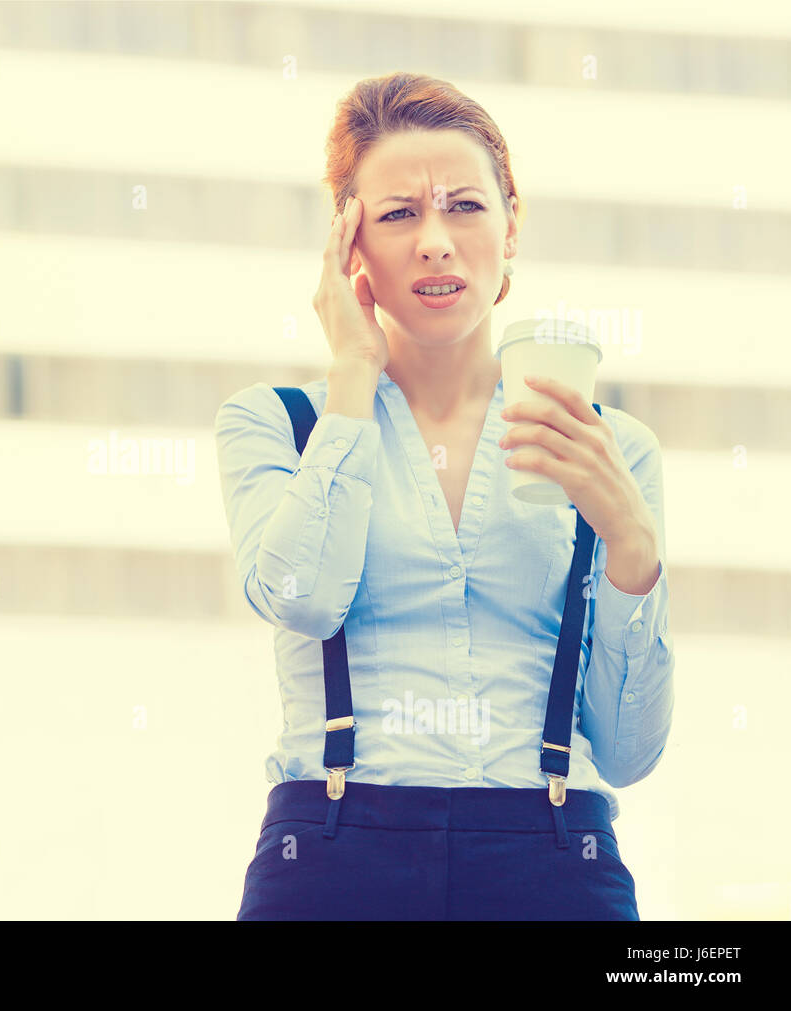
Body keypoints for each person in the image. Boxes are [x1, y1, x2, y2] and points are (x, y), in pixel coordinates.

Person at [214, 72, 674, 920]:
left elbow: (631, 748)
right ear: (347, 246)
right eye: (397, 214)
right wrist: (354, 377)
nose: (435, 240)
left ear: (510, 228)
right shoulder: (277, 424)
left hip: (553, 852)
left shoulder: (614, 446)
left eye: (464, 206)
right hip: (331, 848)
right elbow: (303, 598)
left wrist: (632, 552)